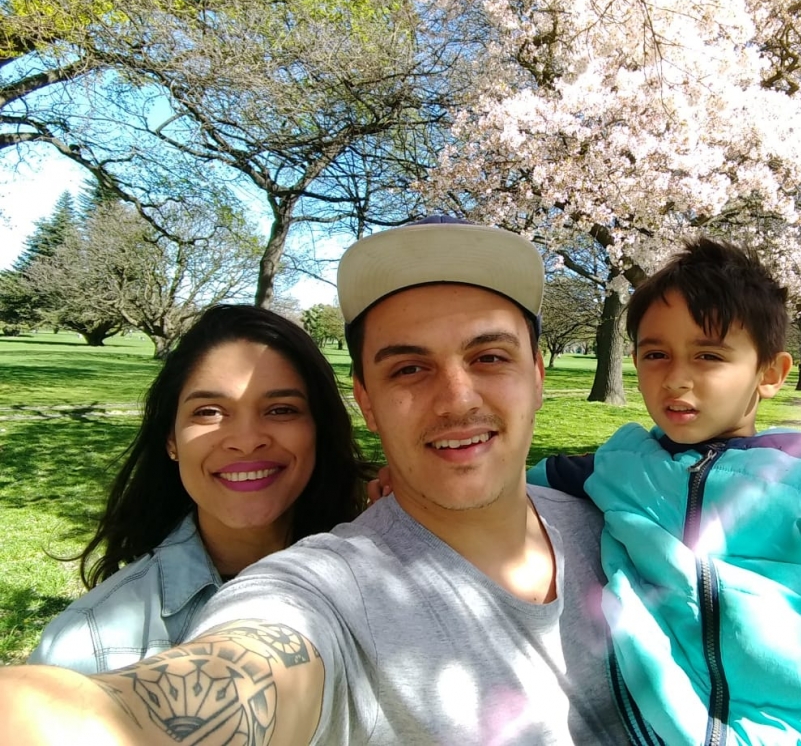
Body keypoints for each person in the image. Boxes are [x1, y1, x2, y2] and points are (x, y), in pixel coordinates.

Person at [0, 219, 628, 744]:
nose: (456, 398)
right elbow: (252, 661)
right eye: (409, 368)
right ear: (367, 401)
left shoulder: (626, 527)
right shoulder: (322, 589)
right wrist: (88, 718)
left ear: (539, 377)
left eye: (489, 357)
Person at [527, 239, 801, 745]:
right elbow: (514, 478)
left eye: (709, 355)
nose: (676, 378)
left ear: (769, 374)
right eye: (655, 354)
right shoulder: (619, 467)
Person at [28, 305, 371, 673]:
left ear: (319, 429)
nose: (246, 440)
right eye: (208, 411)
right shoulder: (88, 648)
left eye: (281, 410)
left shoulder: (384, 564)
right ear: (171, 440)